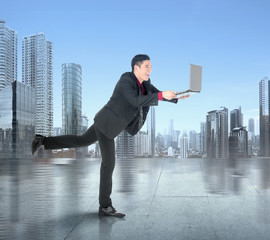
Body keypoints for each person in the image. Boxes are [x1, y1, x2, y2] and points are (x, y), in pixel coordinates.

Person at [31, 54, 189, 218]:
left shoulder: (145, 83)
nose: (150, 69)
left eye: (150, 66)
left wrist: (177, 97)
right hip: (107, 124)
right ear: (136, 67)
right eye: (147, 66)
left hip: (108, 123)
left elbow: (156, 94)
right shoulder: (125, 80)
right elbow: (135, 101)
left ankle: (42, 140)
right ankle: (105, 206)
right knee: (109, 164)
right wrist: (161, 95)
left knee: (81, 140)